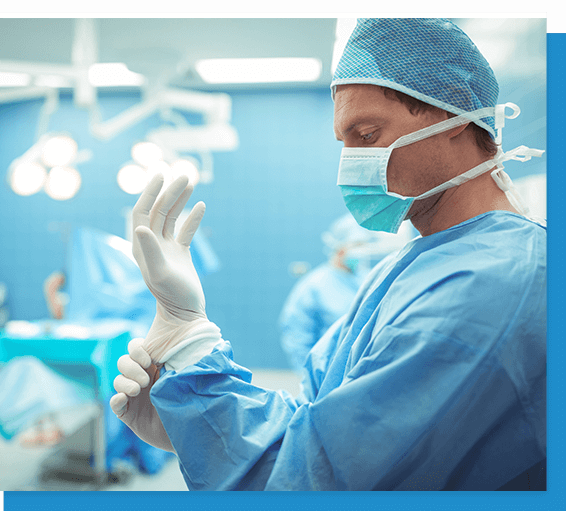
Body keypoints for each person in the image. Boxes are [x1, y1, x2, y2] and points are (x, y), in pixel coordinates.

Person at [109, 19, 546, 490]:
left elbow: (317, 481)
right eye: (345, 142)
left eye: (367, 134)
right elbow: (317, 420)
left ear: (454, 120)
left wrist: (191, 345)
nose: (351, 162)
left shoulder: (491, 285)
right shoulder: (407, 266)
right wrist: (194, 416)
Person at [279, 214, 413, 373]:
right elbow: (297, 337)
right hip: (326, 371)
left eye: (363, 245)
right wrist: (310, 376)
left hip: (364, 370)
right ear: (339, 246)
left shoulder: (368, 279)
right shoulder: (313, 286)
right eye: (356, 245)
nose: (361, 251)